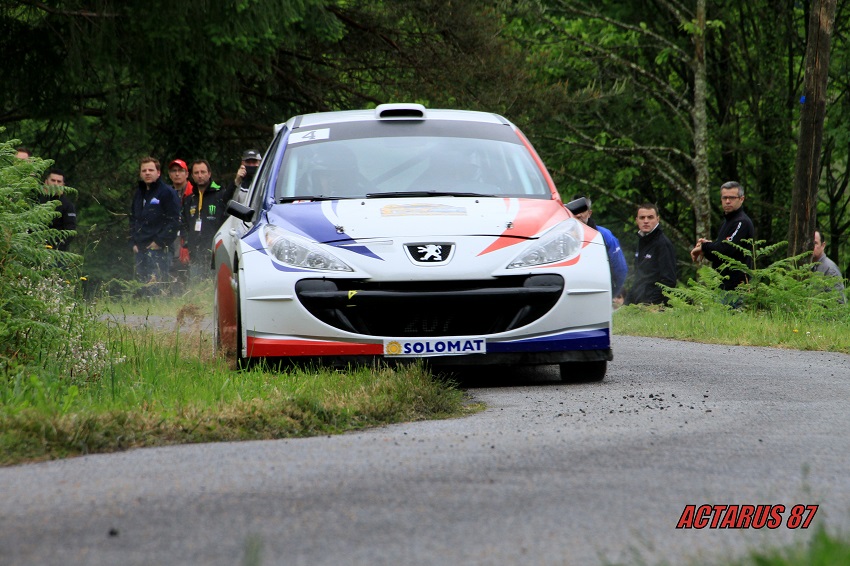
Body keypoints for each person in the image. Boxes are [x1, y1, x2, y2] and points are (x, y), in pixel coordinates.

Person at [690, 181, 755, 291]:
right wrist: (706, 248)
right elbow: (717, 255)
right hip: (722, 286)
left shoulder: (741, 222)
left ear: (741, 199)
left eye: (732, 198)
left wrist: (705, 247)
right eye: (724, 198)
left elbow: (726, 248)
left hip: (738, 288)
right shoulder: (726, 222)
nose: (727, 201)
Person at [129, 157, 181, 290]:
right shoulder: (139, 193)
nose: (147, 173)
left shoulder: (167, 192)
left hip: (160, 250)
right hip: (140, 249)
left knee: (157, 289)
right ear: (140, 174)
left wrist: (159, 242)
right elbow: (133, 218)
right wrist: (133, 242)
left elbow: (174, 221)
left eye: (151, 170)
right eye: (144, 170)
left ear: (158, 172)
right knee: (141, 289)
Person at [565, 196, 627, 301]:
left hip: (599, 293)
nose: (578, 214)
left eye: (582, 211)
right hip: (570, 293)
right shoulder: (561, 237)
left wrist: (611, 294)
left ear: (589, 213)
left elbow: (620, 270)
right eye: (574, 211)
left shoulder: (605, 235)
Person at [183, 160, 233, 278]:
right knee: (196, 284)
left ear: (209, 174)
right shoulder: (189, 199)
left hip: (215, 251)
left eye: (203, 172)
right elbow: (184, 224)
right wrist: (186, 245)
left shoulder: (220, 194)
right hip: (195, 252)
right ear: (192, 176)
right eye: (196, 173)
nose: (200, 175)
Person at [624, 203, 678, 305]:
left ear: (658, 219)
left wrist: (650, 304)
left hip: (654, 307)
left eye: (650, 217)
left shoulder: (662, 244)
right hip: (639, 303)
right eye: (642, 217)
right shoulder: (642, 240)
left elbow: (669, 281)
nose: (646, 221)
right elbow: (639, 279)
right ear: (637, 220)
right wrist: (626, 304)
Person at [167, 158, 194, 286]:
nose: (177, 174)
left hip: (188, 237)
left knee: (187, 272)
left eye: (180, 170)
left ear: (187, 174)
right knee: (171, 272)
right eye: (174, 171)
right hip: (171, 237)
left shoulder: (194, 193)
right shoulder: (166, 194)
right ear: (169, 174)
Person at [40, 168, 77, 252]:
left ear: (63, 185)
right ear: (46, 182)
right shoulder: (36, 200)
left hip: (56, 251)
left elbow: (70, 231)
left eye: (59, 181)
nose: (56, 184)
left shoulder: (68, 206)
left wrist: (56, 247)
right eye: (53, 180)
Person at [812, 229, 846, 304]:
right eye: (809, 243)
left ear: (823, 245)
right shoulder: (811, 267)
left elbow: (839, 303)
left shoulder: (830, 270)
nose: (811, 246)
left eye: (815, 243)